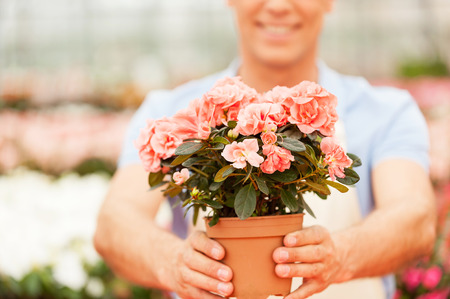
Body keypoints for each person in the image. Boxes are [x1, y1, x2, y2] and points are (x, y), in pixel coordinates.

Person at [94, 1, 437, 298]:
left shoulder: (385, 112)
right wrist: (170, 261)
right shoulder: (171, 113)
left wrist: (341, 254)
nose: (277, 5)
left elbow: (415, 218)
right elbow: (115, 224)